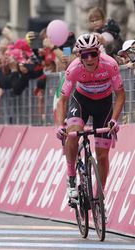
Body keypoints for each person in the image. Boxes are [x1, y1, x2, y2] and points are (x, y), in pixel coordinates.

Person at [56, 34, 125, 208]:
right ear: (79, 55)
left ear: (98, 53)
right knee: (72, 134)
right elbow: (63, 100)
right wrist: (60, 126)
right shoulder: (73, 69)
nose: (89, 59)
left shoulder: (110, 65)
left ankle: (98, 197)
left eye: (93, 54)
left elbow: (121, 95)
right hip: (81, 101)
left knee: (102, 156)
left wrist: (114, 120)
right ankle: (71, 178)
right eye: (84, 55)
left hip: (104, 104)